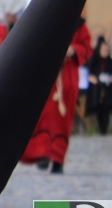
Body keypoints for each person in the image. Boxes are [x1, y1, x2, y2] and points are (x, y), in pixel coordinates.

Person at [20, 19, 93, 174]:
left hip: (67, 77)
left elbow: (87, 49)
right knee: (44, 115)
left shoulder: (79, 26)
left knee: (62, 120)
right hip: (47, 74)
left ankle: (58, 158)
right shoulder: (48, 18)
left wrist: (73, 50)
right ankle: (43, 154)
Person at [86, 36, 112, 135]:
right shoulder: (94, 61)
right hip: (97, 88)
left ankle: (104, 130)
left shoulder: (111, 62)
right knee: (99, 109)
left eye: (107, 50)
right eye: (104, 50)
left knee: (106, 110)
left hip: (108, 88)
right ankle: (100, 129)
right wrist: (94, 79)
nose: (106, 52)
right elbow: (89, 74)